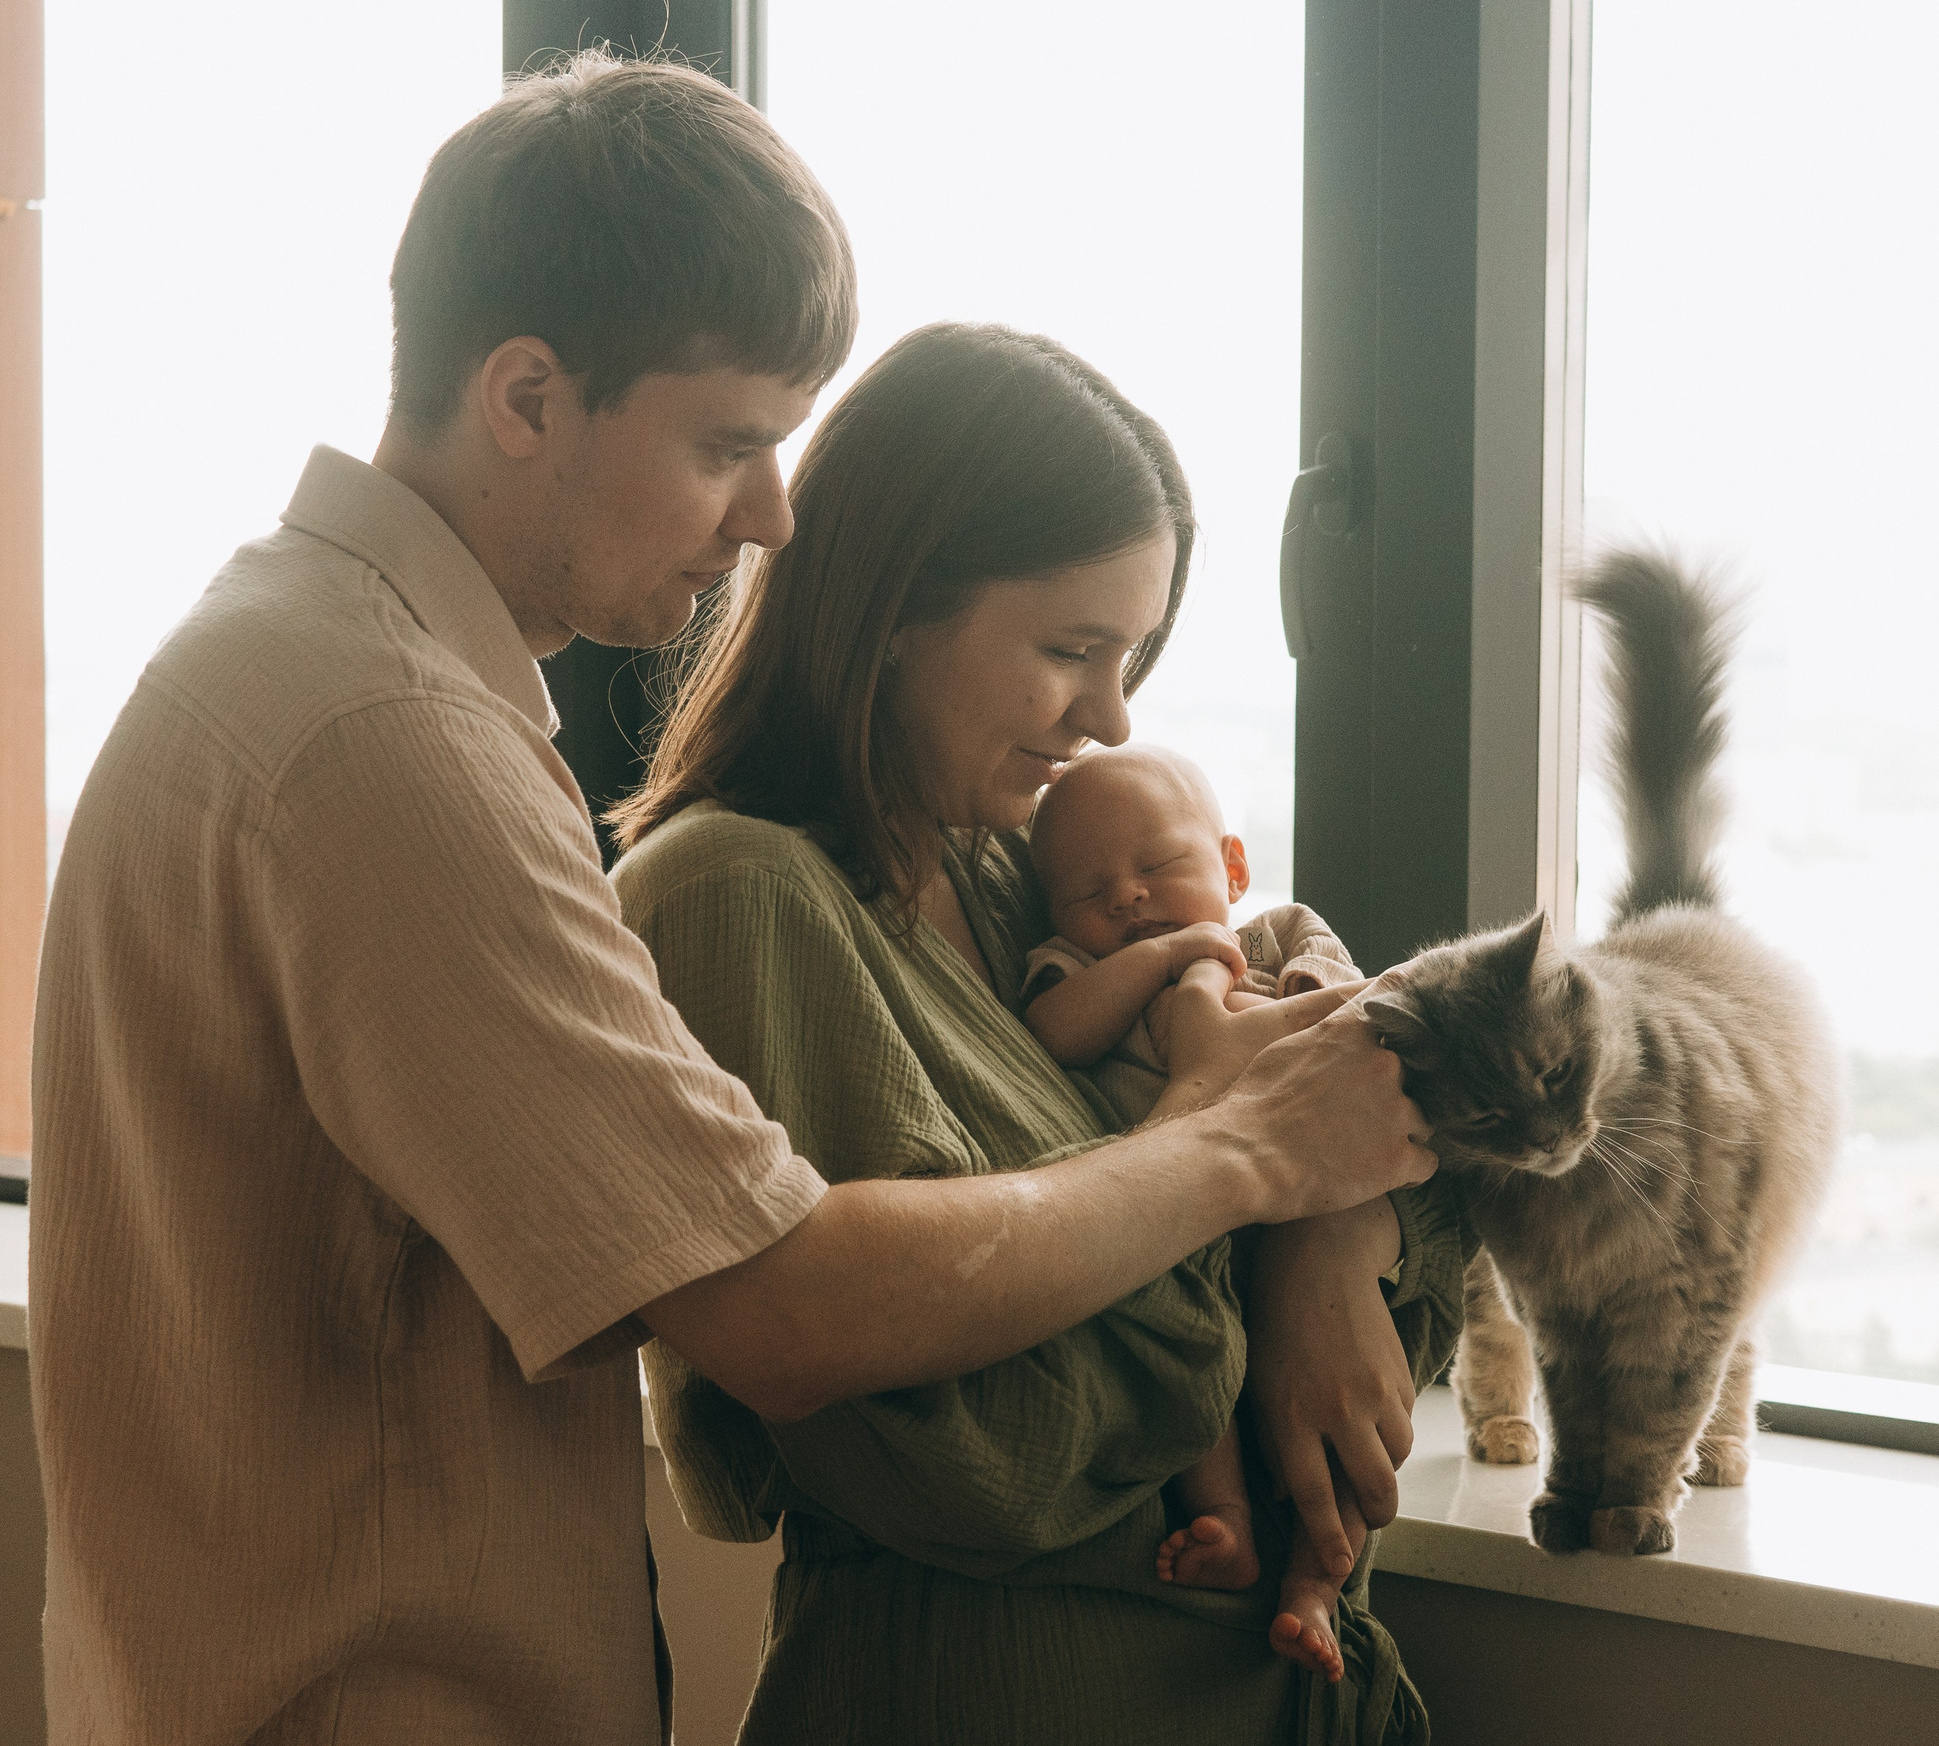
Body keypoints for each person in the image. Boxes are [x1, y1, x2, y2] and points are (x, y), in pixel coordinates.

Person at [28, 54, 1433, 1746]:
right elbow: (780, 1300)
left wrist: (1316, 1231)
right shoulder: (381, 745)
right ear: (528, 397)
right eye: (728, 442)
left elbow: (1282, 970)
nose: (772, 512)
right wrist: (1244, 1154)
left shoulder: (306, 670)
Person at [610, 321, 1473, 1744]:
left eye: (1131, 654)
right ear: (893, 610)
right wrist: (1253, 1180)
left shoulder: (1025, 870)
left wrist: (1329, 1245)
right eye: (1071, 649)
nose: (1111, 713)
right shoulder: (738, 895)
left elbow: (1390, 1067)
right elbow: (991, 1458)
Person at [1020, 744, 1374, 1679]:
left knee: (1332, 1421)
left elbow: (1355, 1009)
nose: (1128, 898)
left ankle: (1316, 1585)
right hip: (1172, 1227)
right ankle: (1229, 1526)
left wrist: (1297, 994)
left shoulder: (1279, 934)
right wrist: (1170, 956)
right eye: (1090, 890)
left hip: (1288, 1224)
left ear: (1233, 866)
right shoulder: (1076, 968)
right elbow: (1054, 1033)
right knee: (1197, 1383)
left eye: (1157, 867)